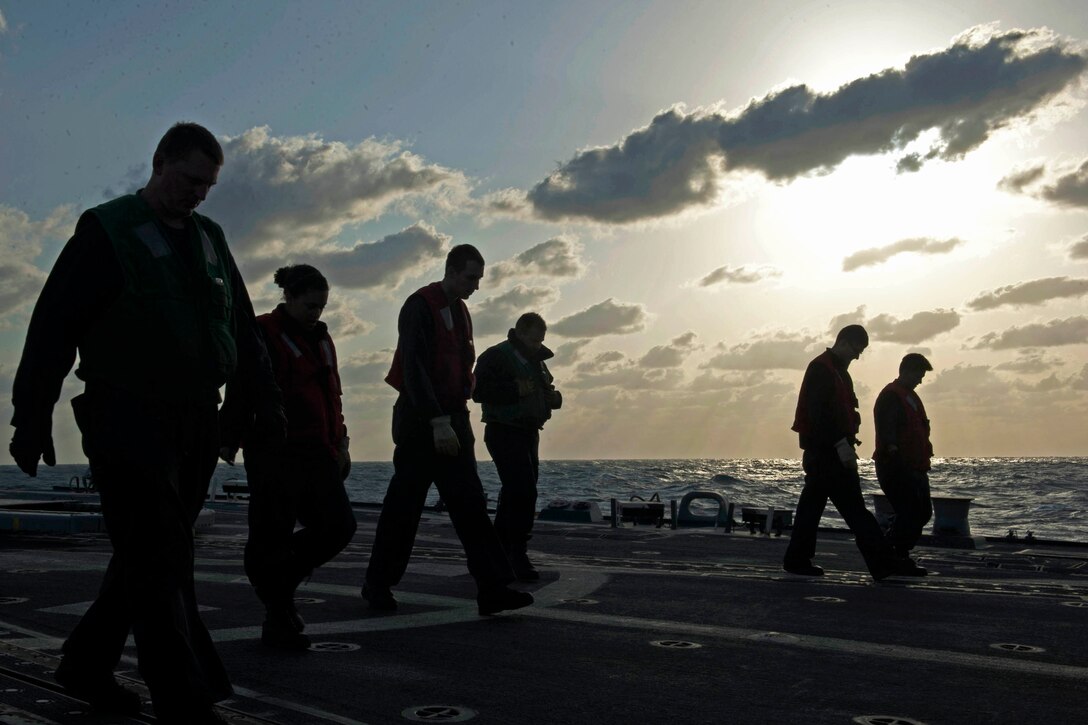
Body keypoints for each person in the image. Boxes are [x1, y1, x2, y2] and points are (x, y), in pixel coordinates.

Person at [8, 122, 285, 724]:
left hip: (194, 419)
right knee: (160, 556)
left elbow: (241, 327)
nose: (199, 195)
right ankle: (184, 702)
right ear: (159, 164)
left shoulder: (211, 238)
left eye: (208, 186)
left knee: (148, 553)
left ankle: (85, 663)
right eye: (190, 180)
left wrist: (263, 404)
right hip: (124, 415)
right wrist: (30, 419)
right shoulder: (106, 231)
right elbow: (53, 327)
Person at [363, 244, 533, 616]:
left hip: (453, 418)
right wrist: (436, 421)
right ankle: (377, 585)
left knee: (471, 505)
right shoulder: (419, 305)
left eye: (478, 279)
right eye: (471, 277)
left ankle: (492, 588)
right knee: (403, 508)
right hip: (421, 420)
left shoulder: (461, 310)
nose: (476, 286)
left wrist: (454, 417)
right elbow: (414, 368)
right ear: (452, 271)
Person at [219, 265, 357, 650]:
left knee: (339, 527)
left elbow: (333, 396)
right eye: (310, 305)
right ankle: (278, 618)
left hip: (319, 452)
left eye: (322, 306)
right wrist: (229, 437)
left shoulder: (323, 339)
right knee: (273, 536)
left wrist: (341, 443)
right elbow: (242, 385)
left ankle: (274, 580)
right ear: (290, 298)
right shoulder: (263, 332)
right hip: (275, 453)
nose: (316, 312)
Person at [783, 325, 914, 581]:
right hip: (827, 453)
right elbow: (819, 414)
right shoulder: (822, 369)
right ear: (843, 342)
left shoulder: (840, 373)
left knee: (813, 509)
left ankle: (797, 558)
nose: (857, 356)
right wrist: (839, 444)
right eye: (856, 349)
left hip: (830, 452)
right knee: (854, 509)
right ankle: (883, 564)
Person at [472, 312, 562, 581]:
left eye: (541, 341)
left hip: (529, 432)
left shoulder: (538, 362)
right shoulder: (495, 356)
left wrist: (554, 399)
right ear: (520, 332)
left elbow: (545, 391)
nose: (537, 345)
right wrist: (514, 389)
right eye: (534, 340)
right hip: (503, 430)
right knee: (522, 491)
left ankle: (501, 550)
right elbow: (477, 392)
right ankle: (516, 552)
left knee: (518, 492)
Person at [872, 353, 934, 576]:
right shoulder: (891, 396)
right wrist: (895, 456)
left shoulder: (911, 397)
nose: (921, 379)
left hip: (916, 466)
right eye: (919, 374)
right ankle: (896, 554)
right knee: (910, 510)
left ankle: (894, 550)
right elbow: (887, 432)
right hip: (896, 466)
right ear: (906, 371)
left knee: (922, 511)